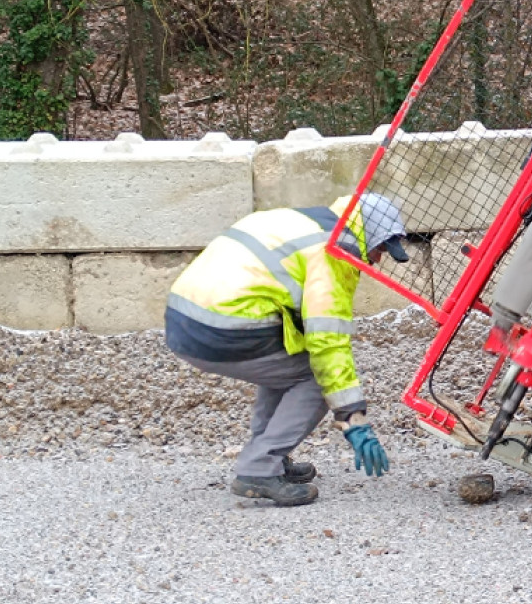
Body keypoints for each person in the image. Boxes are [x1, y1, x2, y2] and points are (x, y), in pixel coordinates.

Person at [165, 193, 407, 506]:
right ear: (368, 236)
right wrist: (352, 417)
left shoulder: (302, 220)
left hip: (184, 317)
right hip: (221, 326)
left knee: (287, 360)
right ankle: (260, 467)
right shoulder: (334, 251)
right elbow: (328, 341)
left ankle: (265, 457)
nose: (377, 259)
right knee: (315, 376)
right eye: (380, 248)